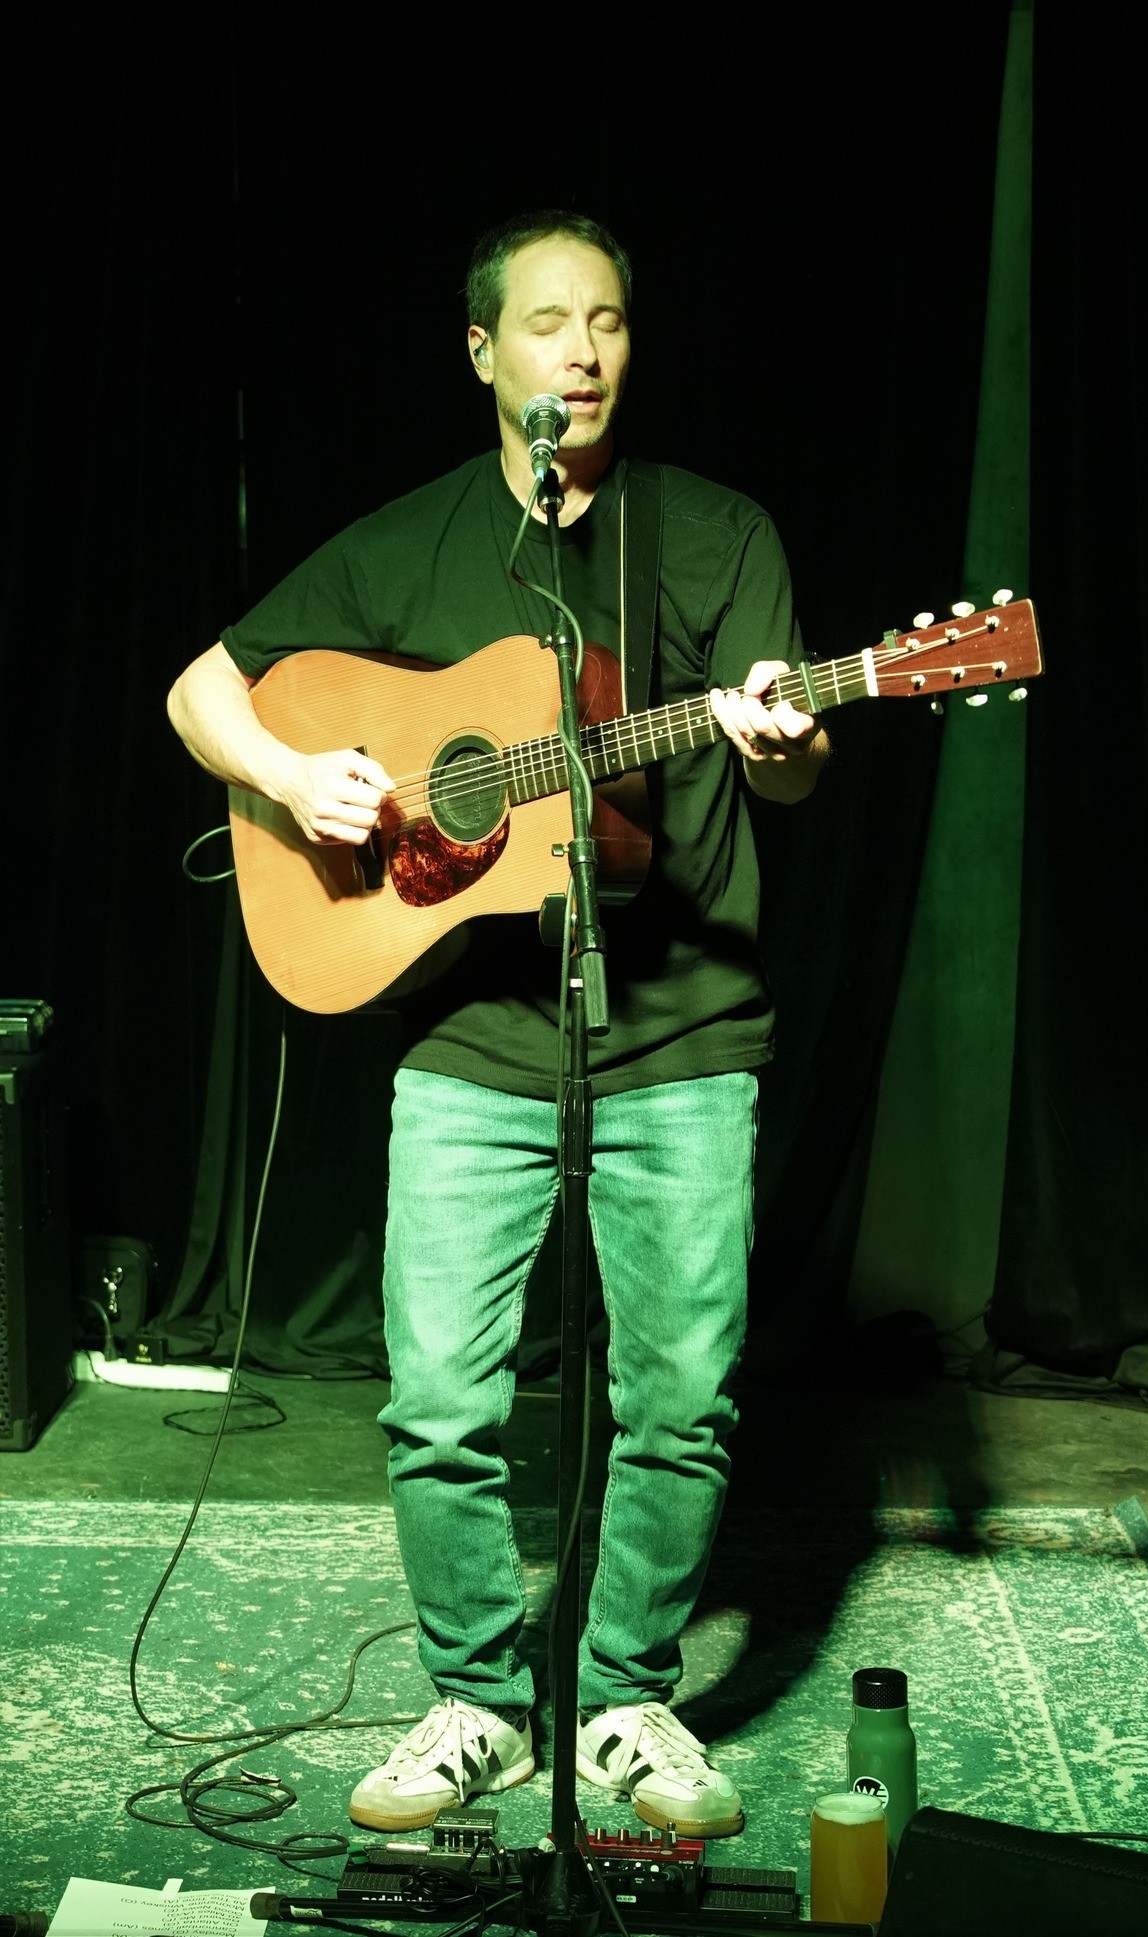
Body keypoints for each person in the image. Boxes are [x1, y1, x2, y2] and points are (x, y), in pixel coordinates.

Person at [167, 210, 829, 1835]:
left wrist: (789, 739)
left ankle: (625, 1699)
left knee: (680, 1398)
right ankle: (477, 1695)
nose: (583, 353)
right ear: (483, 351)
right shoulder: (412, 540)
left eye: (608, 321)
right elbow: (202, 687)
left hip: (682, 1034)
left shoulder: (713, 531)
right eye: (547, 323)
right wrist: (291, 775)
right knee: (439, 1401)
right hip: (470, 1037)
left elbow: (794, 766)